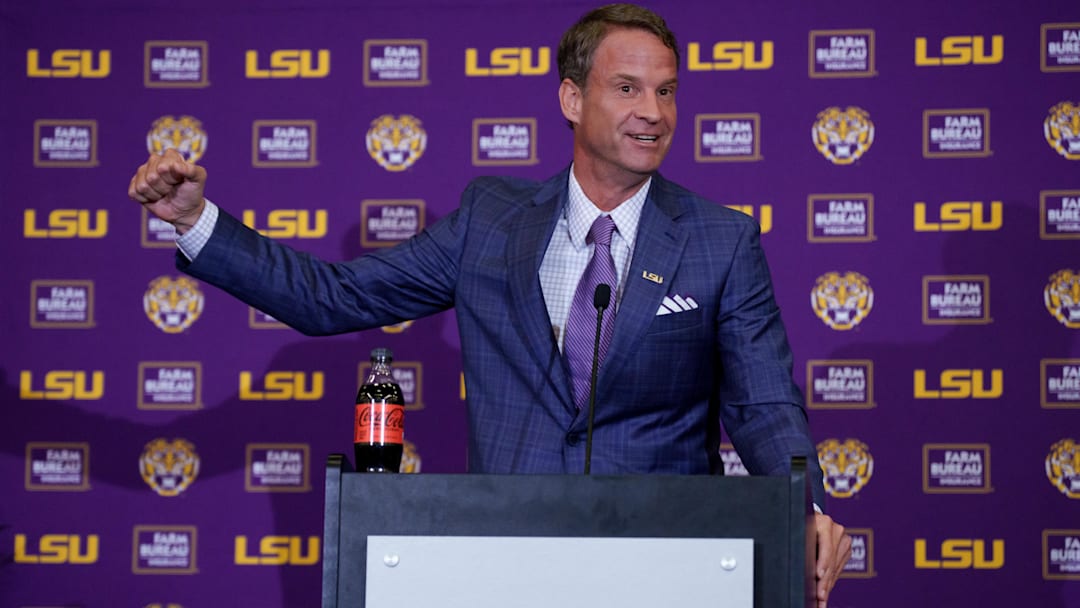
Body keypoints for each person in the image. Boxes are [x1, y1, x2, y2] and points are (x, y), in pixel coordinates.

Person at [129, 3, 850, 604]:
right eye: (627, 88)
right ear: (572, 98)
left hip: (665, 561)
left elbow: (763, 406)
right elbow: (332, 297)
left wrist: (807, 508)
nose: (652, 113)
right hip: (508, 560)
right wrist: (196, 220)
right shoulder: (491, 222)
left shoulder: (720, 240)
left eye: (666, 91)